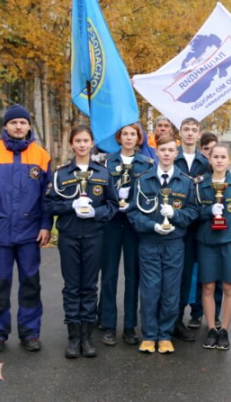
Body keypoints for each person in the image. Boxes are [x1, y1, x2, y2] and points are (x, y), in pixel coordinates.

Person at [0, 104, 52, 354]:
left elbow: (47, 197)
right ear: (5, 126)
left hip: (29, 233)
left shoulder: (41, 156)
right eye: (14, 122)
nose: (19, 127)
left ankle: (30, 332)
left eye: (23, 123)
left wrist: (46, 225)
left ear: (29, 126)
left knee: (30, 282)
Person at [45, 125, 118, 358]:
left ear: (92, 142)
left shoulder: (103, 173)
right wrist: (70, 206)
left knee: (89, 286)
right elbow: (49, 205)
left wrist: (96, 213)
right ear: (72, 144)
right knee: (71, 287)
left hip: (95, 236)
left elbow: (112, 205)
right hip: (69, 236)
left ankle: (87, 338)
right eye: (78, 140)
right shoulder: (61, 174)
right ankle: (73, 338)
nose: (82, 144)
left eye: (86, 140)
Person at [126, 134, 199, 355]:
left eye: (170, 150)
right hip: (149, 242)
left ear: (176, 154)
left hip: (174, 244)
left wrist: (176, 214)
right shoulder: (143, 179)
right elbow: (133, 211)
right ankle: (149, 335)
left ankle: (165, 335)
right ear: (156, 152)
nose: (166, 154)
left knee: (170, 290)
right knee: (150, 289)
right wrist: (151, 226)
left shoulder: (185, 182)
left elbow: (194, 211)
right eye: (162, 150)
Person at [98, 124, 154, 347]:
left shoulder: (146, 164)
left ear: (139, 139)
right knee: (109, 275)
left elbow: (149, 195)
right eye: (125, 134)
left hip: (134, 225)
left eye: (133, 134)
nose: (129, 138)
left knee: (133, 277)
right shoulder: (107, 162)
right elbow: (100, 192)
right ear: (119, 138)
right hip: (111, 223)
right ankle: (109, 324)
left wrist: (130, 206)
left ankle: (130, 326)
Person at [196, 144, 231, 350]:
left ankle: (225, 329)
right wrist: (208, 211)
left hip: (229, 242)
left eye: (223, 157)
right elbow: (194, 213)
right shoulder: (200, 184)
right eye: (215, 156)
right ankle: (211, 328)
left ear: (229, 160)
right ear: (209, 160)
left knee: (228, 286)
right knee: (208, 286)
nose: (219, 160)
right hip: (206, 242)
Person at [173, 118, 218, 342]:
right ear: (180, 132)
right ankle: (173, 318)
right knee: (176, 275)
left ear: (199, 134)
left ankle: (195, 315)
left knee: (193, 273)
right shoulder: (173, 157)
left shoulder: (205, 162)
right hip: (174, 224)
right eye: (186, 129)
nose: (190, 133)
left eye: (194, 130)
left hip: (199, 227)